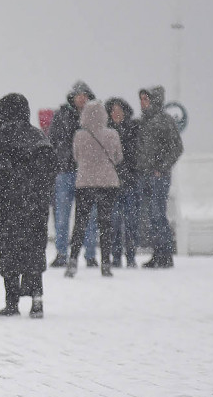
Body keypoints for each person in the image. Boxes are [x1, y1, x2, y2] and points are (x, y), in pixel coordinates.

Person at [0, 94, 57, 317]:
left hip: (9, 206)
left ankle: (12, 301)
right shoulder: (37, 137)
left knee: (9, 251)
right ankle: (37, 299)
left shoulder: (2, 136)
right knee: (34, 251)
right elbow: (49, 170)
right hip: (34, 205)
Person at [65, 101, 123, 278]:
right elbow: (118, 157)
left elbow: (76, 156)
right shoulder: (112, 134)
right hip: (107, 183)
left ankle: (73, 261)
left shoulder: (79, 136)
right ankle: (106, 263)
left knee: (80, 223)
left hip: (85, 183)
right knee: (105, 225)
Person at [49, 81, 98, 268]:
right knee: (62, 216)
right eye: (79, 95)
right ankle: (62, 253)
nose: (82, 99)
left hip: (86, 173)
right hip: (65, 172)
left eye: (85, 95)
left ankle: (90, 254)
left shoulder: (94, 118)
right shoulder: (61, 116)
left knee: (88, 217)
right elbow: (53, 141)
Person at [137, 86, 184, 268]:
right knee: (151, 216)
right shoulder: (144, 121)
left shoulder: (164, 121)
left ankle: (165, 254)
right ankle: (158, 253)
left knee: (158, 215)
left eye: (146, 99)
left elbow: (177, 148)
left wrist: (161, 167)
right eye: (141, 99)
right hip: (145, 175)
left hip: (158, 176)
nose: (142, 103)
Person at [105, 98, 141, 268]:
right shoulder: (107, 132)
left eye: (118, 110)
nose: (116, 114)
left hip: (130, 182)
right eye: (113, 111)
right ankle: (117, 255)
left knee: (130, 222)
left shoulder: (133, 129)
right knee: (114, 222)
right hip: (113, 183)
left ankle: (131, 255)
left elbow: (136, 154)